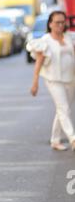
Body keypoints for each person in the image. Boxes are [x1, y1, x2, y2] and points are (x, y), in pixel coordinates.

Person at [28, 10, 75, 151]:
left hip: (71, 78)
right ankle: (73, 138)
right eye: (57, 22)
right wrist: (35, 82)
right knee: (63, 108)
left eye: (62, 22)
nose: (60, 25)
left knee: (63, 111)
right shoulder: (45, 41)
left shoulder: (70, 37)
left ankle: (55, 140)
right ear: (50, 24)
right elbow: (39, 62)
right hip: (53, 79)